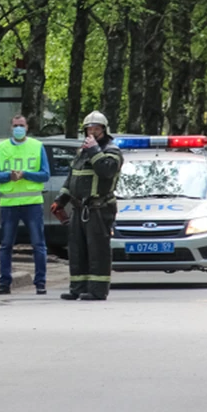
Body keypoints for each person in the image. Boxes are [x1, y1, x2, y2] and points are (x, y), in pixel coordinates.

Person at [51, 111, 123, 301]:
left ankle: (97, 290)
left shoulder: (112, 151)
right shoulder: (82, 152)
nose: (92, 132)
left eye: (96, 129)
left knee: (97, 250)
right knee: (77, 250)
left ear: (104, 130)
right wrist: (60, 200)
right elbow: (72, 177)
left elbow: (106, 171)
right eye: (89, 129)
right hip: (78, 209)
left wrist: (94, 151)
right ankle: (77, 288)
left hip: (99, 208)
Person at [0, 114, 50, 295]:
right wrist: (9, 176)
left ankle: (40, 282)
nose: (18, 128)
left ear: (27, 127)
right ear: (11, 127)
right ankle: (4, 283)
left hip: (32, 202)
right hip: (9, 203)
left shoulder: (37, 146)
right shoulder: (2, 148)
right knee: (6, 246)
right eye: (15, 125)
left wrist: (25, 174)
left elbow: (45, 174)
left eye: (21, 125)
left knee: (38, 245)